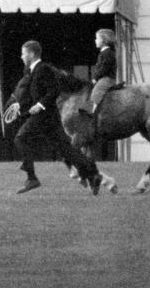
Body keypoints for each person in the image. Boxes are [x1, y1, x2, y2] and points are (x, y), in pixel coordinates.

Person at [13, 40, 101, 195]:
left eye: (23, 53)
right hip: (49, 117)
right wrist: (23, 110)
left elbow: (54, 90)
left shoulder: (43, 69)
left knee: (20, 138)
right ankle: (93, 175)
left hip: (44, 116)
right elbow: (35, 95)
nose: (21, 56)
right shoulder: (32, 71)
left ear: (32, 54)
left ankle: (32, 178)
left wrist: (39, 106)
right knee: (66, 149)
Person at [78, 28, 117, 127]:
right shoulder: (104, 52)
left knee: (98, 89)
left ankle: (91, 110)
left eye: (97, 38)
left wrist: (95, 78)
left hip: (107, 79)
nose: (95, 40)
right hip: (103, 77)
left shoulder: (107, 53)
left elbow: (104, 67)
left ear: (104, 40)